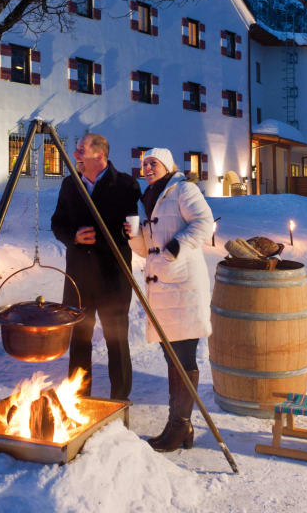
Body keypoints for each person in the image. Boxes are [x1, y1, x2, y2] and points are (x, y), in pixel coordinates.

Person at [127, 147, 214, 452]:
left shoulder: (182, 189)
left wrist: (177, 247)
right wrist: (134, 235)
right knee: (171, 356)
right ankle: (182, 426)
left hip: (184, 286)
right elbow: (144, 250)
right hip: (162, 290)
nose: (148, 167)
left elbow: (204, 223)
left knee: (183, 356)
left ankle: (179, 426)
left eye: (153, 162)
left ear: (168, 164)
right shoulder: (150, 197)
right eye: (144, 164)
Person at [50, 133, 140, 400]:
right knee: (79, 341)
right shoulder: (70, 184)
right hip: (79, 278)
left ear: (98, 156)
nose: (74, 155)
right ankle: (78, 399)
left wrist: (131, 231)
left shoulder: (125, 185)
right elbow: (57, 223)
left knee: (117, 341)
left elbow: (133, 224)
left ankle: (120, 401)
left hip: (113, 278)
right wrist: (73, 237)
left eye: (80, 150)